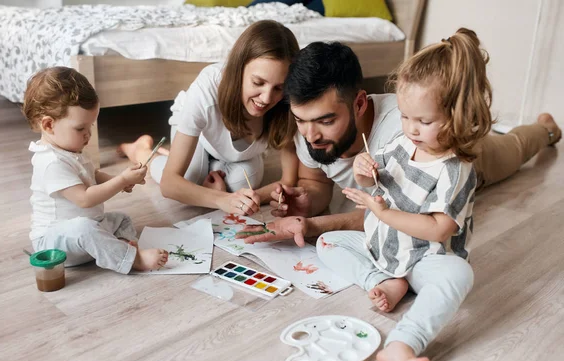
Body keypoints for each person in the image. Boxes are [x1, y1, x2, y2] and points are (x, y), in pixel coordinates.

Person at [237, 38, 561, 246]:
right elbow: (315, 180)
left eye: (326, 121)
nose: (311, 135)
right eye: (300, 120)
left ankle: (545, 128)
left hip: (460, 155)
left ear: (360, 103)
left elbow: (395, 215)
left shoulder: (403, 134)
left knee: (514, 148)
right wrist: (307, 200)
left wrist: (312, 225)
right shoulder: (307, 126)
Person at [118, 20, 300, 218]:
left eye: (278, 88)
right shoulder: (207, 89)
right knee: (190, 177)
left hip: (234, 153)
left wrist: (249, 198)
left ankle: (209, 168)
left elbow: (288, 181)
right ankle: (141, 150)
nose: (266, 98)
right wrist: (221, 199)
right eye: (258, 82)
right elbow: (170, 184)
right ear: (238, 70)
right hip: (202, 135)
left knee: (242, 183)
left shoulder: (289, 102)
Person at [25, 67, 168, 273]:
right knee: (84, 228)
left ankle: (118, 248)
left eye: (91, 126)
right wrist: (119, 181)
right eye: (80, 128)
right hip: (55, 244)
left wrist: (122, 179)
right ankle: (132, 260)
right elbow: (85, 199)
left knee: (121, 219)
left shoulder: (71, 150)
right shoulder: (51, 162)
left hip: (87, 229)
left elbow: (93, 176)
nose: (88, 135)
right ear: (49, 125)